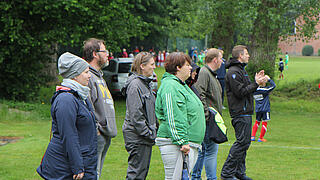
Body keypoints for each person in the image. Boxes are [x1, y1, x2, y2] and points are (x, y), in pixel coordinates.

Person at [37, 52, 97, 179]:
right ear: (75, 75)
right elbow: (68, 135)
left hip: (84, 162)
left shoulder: (81, 96)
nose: (90, 76)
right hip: (64, 168)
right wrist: (77, 166)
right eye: (86, 72)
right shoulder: (66, 100)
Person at [155, 52, 206, 179]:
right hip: (176, 144)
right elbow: (173, 115)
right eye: (187, 65)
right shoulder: (171, 86)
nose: (191, 68)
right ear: (178, 67)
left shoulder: (180, 85)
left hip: (187, 143)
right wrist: (181, 141)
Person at [221, 45, 266, 180]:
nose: (248, 56)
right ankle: (227, 173)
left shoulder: (241, 71)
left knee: (245, 143)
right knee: (242, 142)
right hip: (239, 112)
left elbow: (247, 89)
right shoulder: (233, 72)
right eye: (246, 53)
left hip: (245, 112)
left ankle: (239, 172)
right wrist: (256, 83)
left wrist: (256, 82)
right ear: (240, 56)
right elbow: (240, 92)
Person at [83, 38, 117, 179]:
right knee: (92, 174)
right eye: (104, 51)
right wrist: (96, 129)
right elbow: (86, 105)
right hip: (97, 134)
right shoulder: (88, 77)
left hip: (105, 133)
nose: (107, 54)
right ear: (95, 54)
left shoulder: (99, 76)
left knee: (97, 173)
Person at [121, 52, 157, 180]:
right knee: (136, 174)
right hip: (137, 137)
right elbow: (136, 115)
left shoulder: (145, 84)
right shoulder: (135, 85)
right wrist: (148, 133)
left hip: (143, 137)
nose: (154, 67)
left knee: (141, 173)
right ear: (142, 66)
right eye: (152, 64)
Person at [192, 48, 223, 180]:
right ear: (215, 60)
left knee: (203, 151)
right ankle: (209, 178)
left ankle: (195, 177)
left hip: (211, 120)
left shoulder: (211, 73)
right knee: (209, 151)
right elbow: (200, 94)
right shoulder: (204, 73)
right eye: (221, 58)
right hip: (208, 121)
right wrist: (207, 116)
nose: (222, 61)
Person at [251, 75, 276, 142]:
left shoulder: (254, 90)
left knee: (257, 122)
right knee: (264, 122)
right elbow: (273, 86)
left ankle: (252, 136)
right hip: (265, 109)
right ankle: (261, 138)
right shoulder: (264, 90)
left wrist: (257, 79)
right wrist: (269, 79)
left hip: (258, 109)